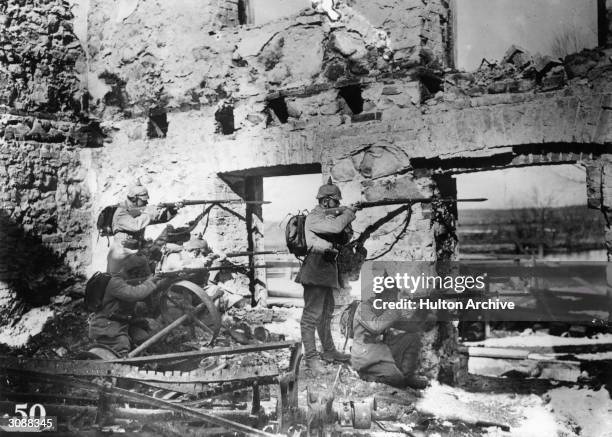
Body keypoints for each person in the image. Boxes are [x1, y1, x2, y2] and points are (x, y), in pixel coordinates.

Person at [296, 178, 357, 373]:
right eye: (336, 202)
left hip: (327, 268)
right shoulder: (315, 217)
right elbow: (335, 228)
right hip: (315, 267)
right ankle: (311, 359)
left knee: (326, 314)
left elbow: (344, 234)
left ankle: (329, 352)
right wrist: (348, 212)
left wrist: (345, 216)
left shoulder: (328, 216)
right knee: (311, 316)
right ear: (325, 201)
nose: (338, 204)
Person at [351, 287, 433, 389]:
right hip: (365, 356)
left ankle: (407, 376)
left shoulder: (384, 307)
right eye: (392, 293)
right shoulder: (364, 307)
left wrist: (421, 309)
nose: (394, 296)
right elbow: (376, 326)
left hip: (380, 351)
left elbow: (411, 326)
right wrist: (398, 307)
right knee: (397, 379)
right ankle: (366, 375)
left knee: (412, 337)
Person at [89, 255, 172, 356]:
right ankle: (122, 364)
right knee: (122, 345)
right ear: (133, 272)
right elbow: (135, 294)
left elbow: (142, 290)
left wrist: (163, 282)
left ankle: (140, 359)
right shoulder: (115, 282)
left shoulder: (122, 280)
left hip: (122, 322)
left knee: (143, 337)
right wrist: (150, 282)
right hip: (106, 324)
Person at [107, 182, 180, 274]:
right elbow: (136, 225)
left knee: (145, 281)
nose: (146, 202)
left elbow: (159, 219)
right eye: (143, 200)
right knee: (118, 283)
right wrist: (149, 212)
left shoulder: (140, 211)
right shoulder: (121, 212)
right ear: (134, 198)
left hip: (135, 254)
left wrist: (172, 210)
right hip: (120, 256)